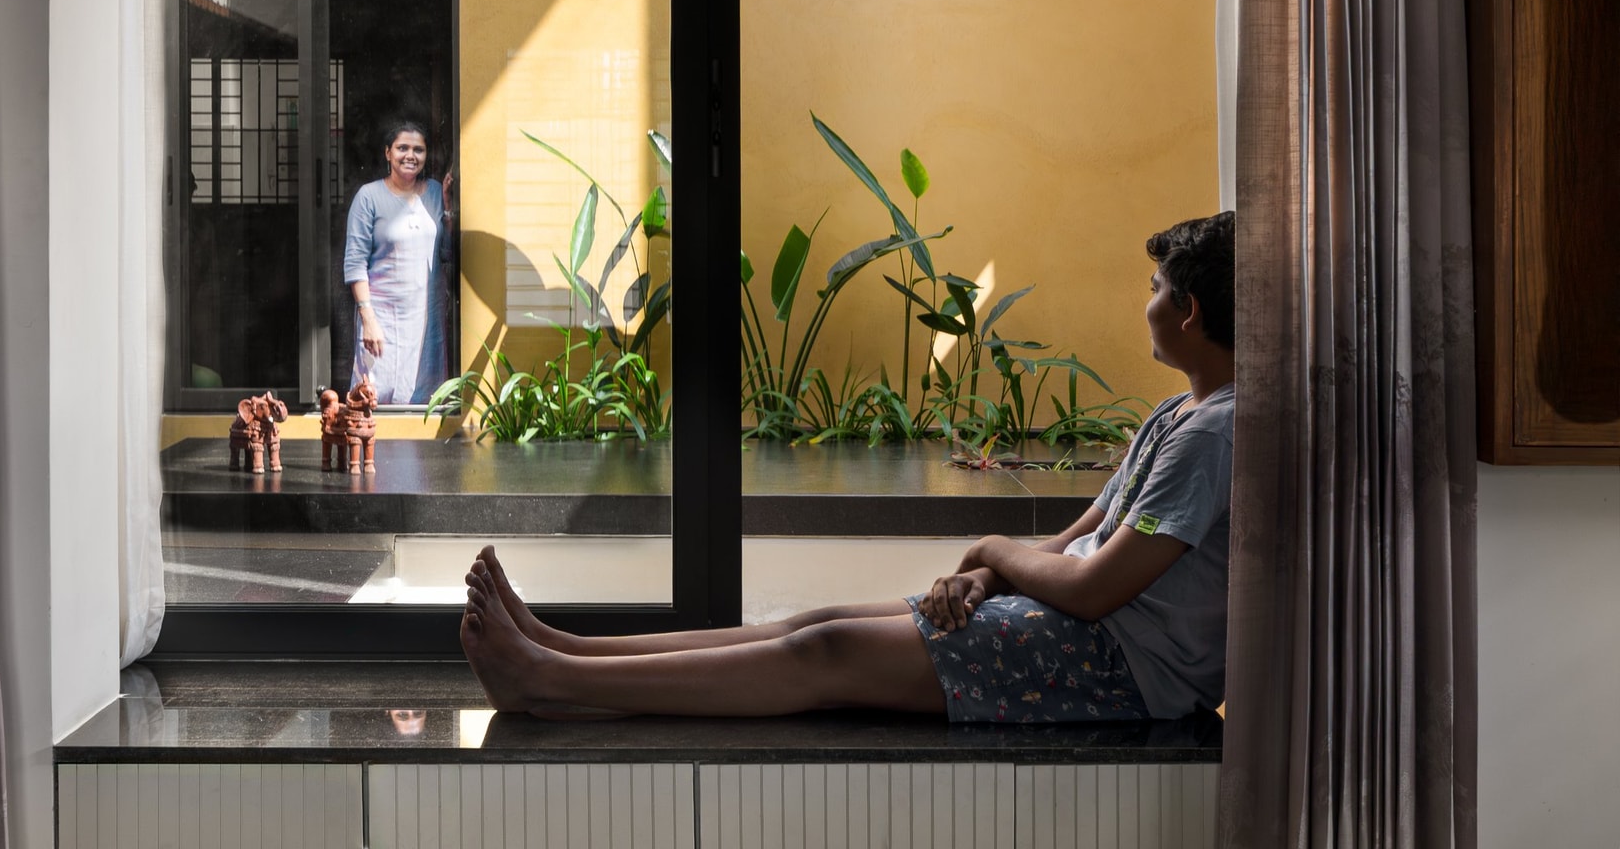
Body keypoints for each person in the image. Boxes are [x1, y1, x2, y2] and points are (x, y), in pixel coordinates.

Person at [461, 211, 1236, 723]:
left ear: (1190, 311)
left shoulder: (1212, 435)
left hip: (1124, 669)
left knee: (824, 653)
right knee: (815, 623)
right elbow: (1076, 543)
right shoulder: (1179, 414)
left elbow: (1095, 588)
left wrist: (989, 550)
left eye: (1156, 290)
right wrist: (985, 578)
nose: (1147, 304)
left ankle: (547, 680)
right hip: (1076, 631)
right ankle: (565, 649)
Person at [343, 119, 454, 406]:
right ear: (388, 153)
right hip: (382, 319)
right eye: (402, 148)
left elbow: (446, 254)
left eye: (418, 149)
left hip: (425, 322)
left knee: (424, 401)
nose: (410, 155)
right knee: (373, 400)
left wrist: (448, 211)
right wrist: (368, 319)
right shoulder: (369, 197)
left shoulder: (434, 192)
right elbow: (355, 263)